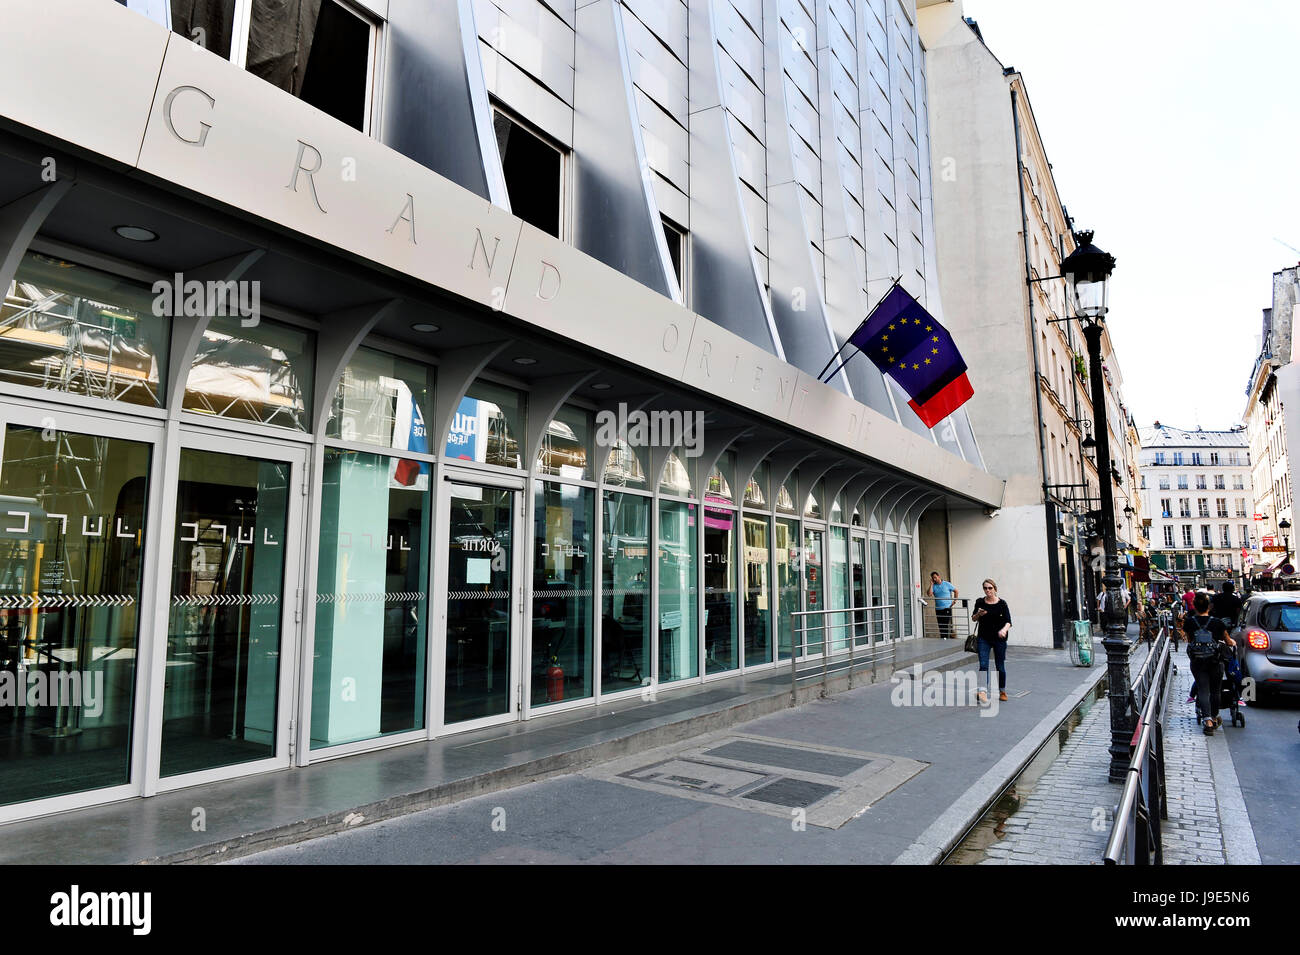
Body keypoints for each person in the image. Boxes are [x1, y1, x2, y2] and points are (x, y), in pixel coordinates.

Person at [1182, 592, 1235, 735]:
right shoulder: (1218, 622)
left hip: (1197, 661)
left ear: (1194, 606)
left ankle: (1207, 721)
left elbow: (1189, 640)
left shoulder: (1190, 622)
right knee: (1215, 690)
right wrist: (1232, 643)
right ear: (1209, 606)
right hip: (1215, 660)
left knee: (1203, 689)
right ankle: (1214, 716)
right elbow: (1228, 641)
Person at [972, 578, 1012, 704]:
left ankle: (1002, 691)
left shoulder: (1002, 604)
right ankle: (982, 692)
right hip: (983, 638)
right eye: (985, 588)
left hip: (999, 639)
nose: (987, 590)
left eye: (990, 588)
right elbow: (973, 618)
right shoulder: (980, 602)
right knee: (983, 665)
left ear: (995, 589)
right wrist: (979, 614)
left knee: (1000, 666)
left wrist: (1004, 630)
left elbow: (1009, 621)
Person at [926, 571, 958, 639]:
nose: (934, 579)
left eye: (935, 577)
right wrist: (931, 584)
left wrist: (954, 601)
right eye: (933, 578)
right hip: (938, 609)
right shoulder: (933, 586)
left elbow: (956, 591)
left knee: (945, 625)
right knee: (940, 625)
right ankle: (943, 639)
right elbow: (929, 594)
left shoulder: (946, 584)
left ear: (938, 576)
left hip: (947, 608)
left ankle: (946, 639)